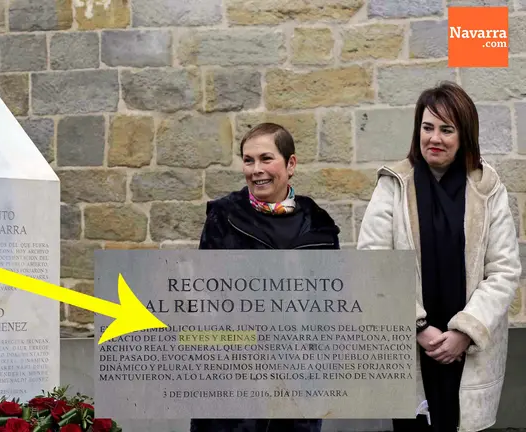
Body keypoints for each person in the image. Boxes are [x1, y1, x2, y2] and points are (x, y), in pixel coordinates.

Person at [356, 81, 521, 432]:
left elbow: (504, 271)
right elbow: (373, 264)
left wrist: (465, 331)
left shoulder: (488, 189)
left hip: (469, 351)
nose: (435, 138)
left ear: (465, 135)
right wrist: (417, 326)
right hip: (412, 346)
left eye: (447, 129)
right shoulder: (394, 185)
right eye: (427, 127)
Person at [191, 122, 340, 432]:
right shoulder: (224, 217)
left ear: (291, 164)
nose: (256, 169)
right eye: (249, 160)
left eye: (266, 158)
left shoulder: (320, 227)